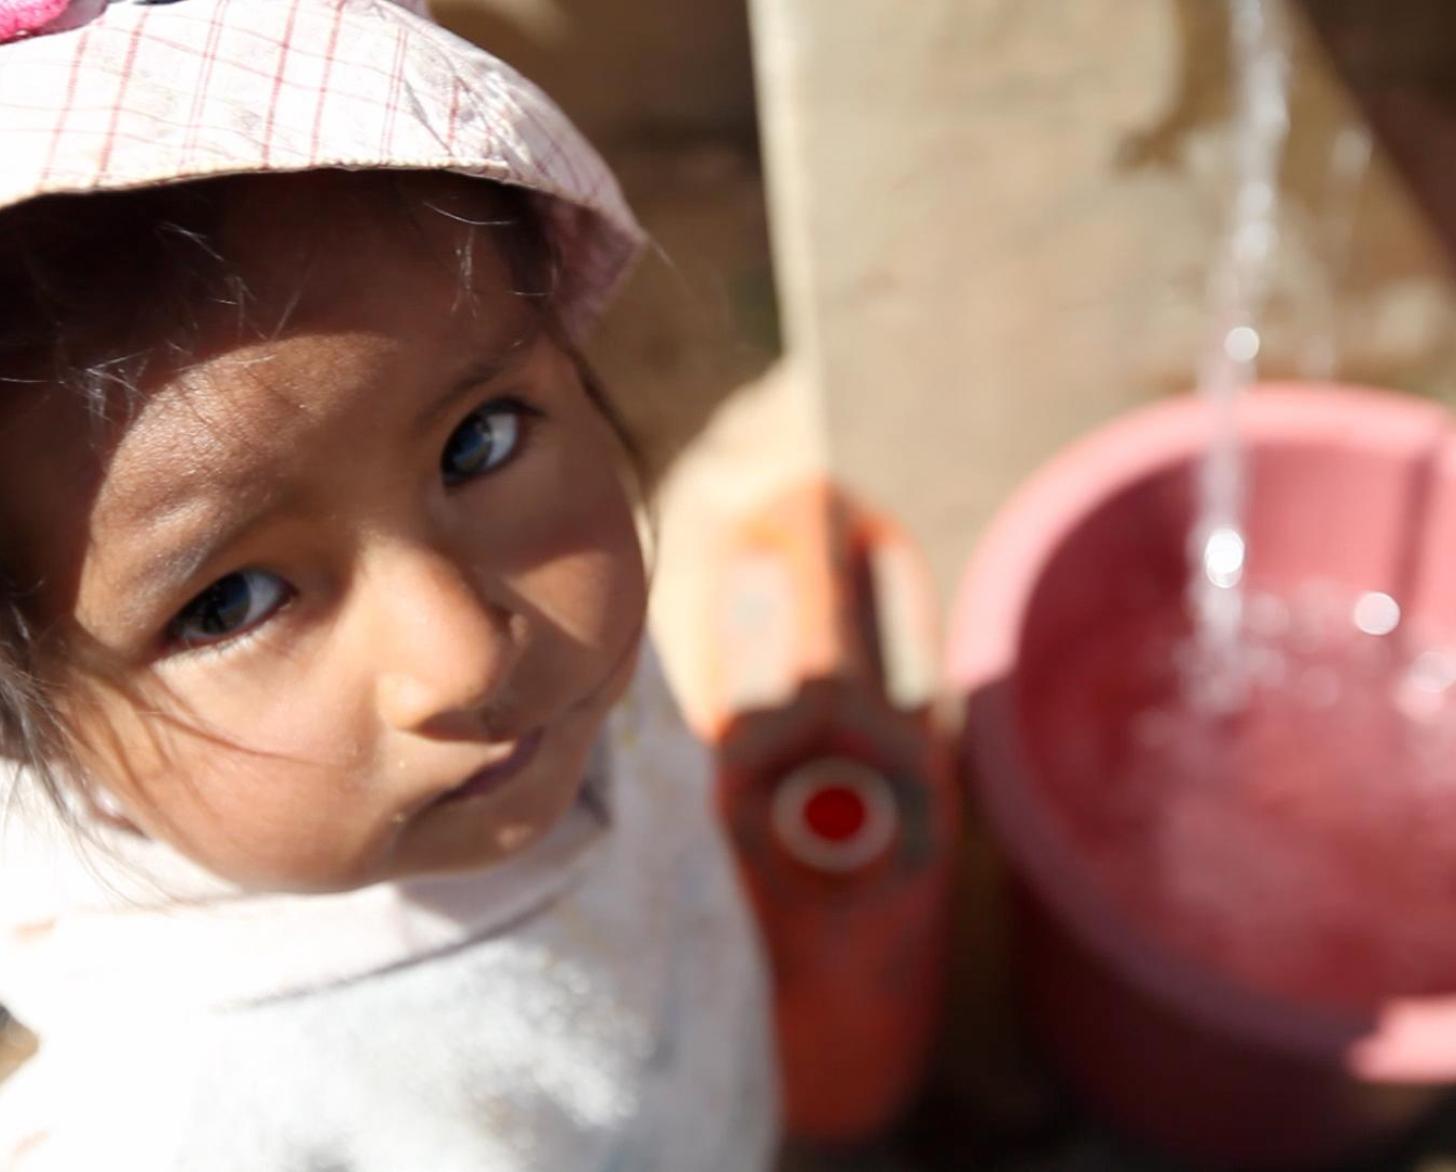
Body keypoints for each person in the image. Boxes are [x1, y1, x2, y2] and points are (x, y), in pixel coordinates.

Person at [0, 1, 777, 1168]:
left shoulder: (547, 676)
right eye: (229, 602)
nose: (467, 650)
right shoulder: (174, 1119)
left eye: (480, 442)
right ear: (37, 731)